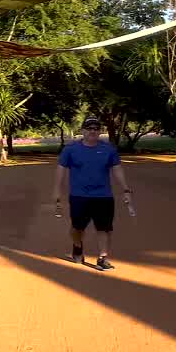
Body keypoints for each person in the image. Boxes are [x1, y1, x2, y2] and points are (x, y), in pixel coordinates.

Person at [53, 116, 134, 270]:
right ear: (83, 130)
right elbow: (61, 169)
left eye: (96, 128)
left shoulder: (108, 149)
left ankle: (103, 257)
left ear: (99, 132)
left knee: (104, 228)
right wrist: (57, 191)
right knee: (77, 228)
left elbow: (117, 169)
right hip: (79, 196)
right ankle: (77, 246)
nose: (92, 131)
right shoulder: (70, 149)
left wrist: (125, 189)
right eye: (89, 128)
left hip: (103, 196)